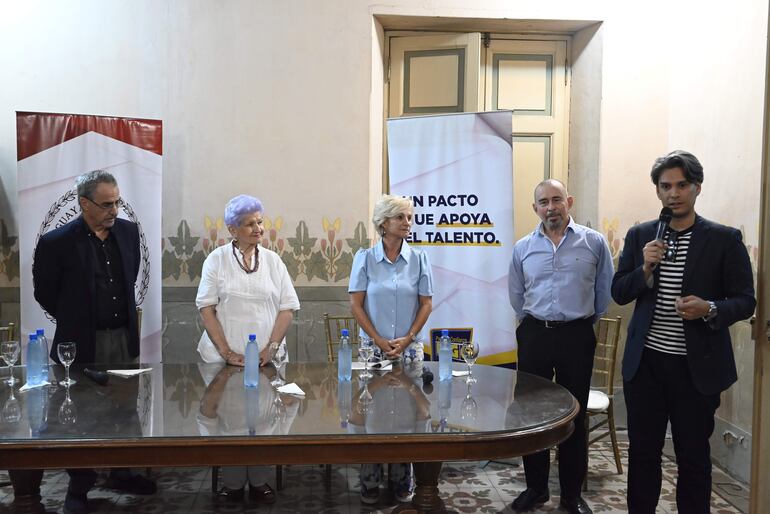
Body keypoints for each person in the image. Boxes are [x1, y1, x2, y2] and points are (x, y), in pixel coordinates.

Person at [611, 150, 755, 513]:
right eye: (665, 186)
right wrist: (644, 267)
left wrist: (710, 308)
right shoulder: (641, 235)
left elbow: (745, 301)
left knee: (693, 456)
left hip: (696, 369)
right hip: (646, 367)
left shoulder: (724, 239)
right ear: (657, 191)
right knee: (643, 453)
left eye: (682, 185)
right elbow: (619, 291)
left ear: (697, 188)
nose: (673, 193)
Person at [30, 170, 155, 514]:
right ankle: (79, 487)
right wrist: (78, 319)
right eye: (106, 204)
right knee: (79, 417)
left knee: (125, 409)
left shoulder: (128, 233)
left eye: (116, 202)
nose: (114, 210)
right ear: (84, 204)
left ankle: (122, 472)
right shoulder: (57, 242)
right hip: (79, 344)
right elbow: (45, 293)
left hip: (121, 339)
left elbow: (130, 278)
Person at [508, 179, 613, 514]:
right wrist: (533, 324)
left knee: (574, 416)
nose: (550, 207)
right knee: (531, 415)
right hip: (535, 333)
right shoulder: (523, 247)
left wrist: (579, 323)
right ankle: (536, 489)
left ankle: (571, 495)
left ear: (569, 201)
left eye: (556, 200)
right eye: (543, 202)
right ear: (535, 208)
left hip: (576, 336)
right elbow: (516, 295)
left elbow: (603, 294)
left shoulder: (593, 243)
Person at [195, 194, 300, 503]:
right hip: (221, 359)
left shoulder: (273, 260)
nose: (258, 229)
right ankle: (232, 482)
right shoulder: (217, 259)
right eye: (250, 223)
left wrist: (271, 346)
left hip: (266, 358)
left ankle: (259, 480)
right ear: (233, 228)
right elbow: (206, 308)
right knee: (228, 418)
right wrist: (227, 352)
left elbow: (287, 308)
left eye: (260, 222)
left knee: (263, 417)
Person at [348, 194, 434, 505]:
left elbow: (426, 304)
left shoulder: (420, 259)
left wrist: (409, 337)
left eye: (410, 218)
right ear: (384, 223)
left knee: (407, 416)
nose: (408, 223)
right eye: (401, 218)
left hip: (409, 350)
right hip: (373, 350)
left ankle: (402, 479)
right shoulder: (365, 258)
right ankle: (370, 480)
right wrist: (379, 339)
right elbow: (356, 305)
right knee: (372, 412)